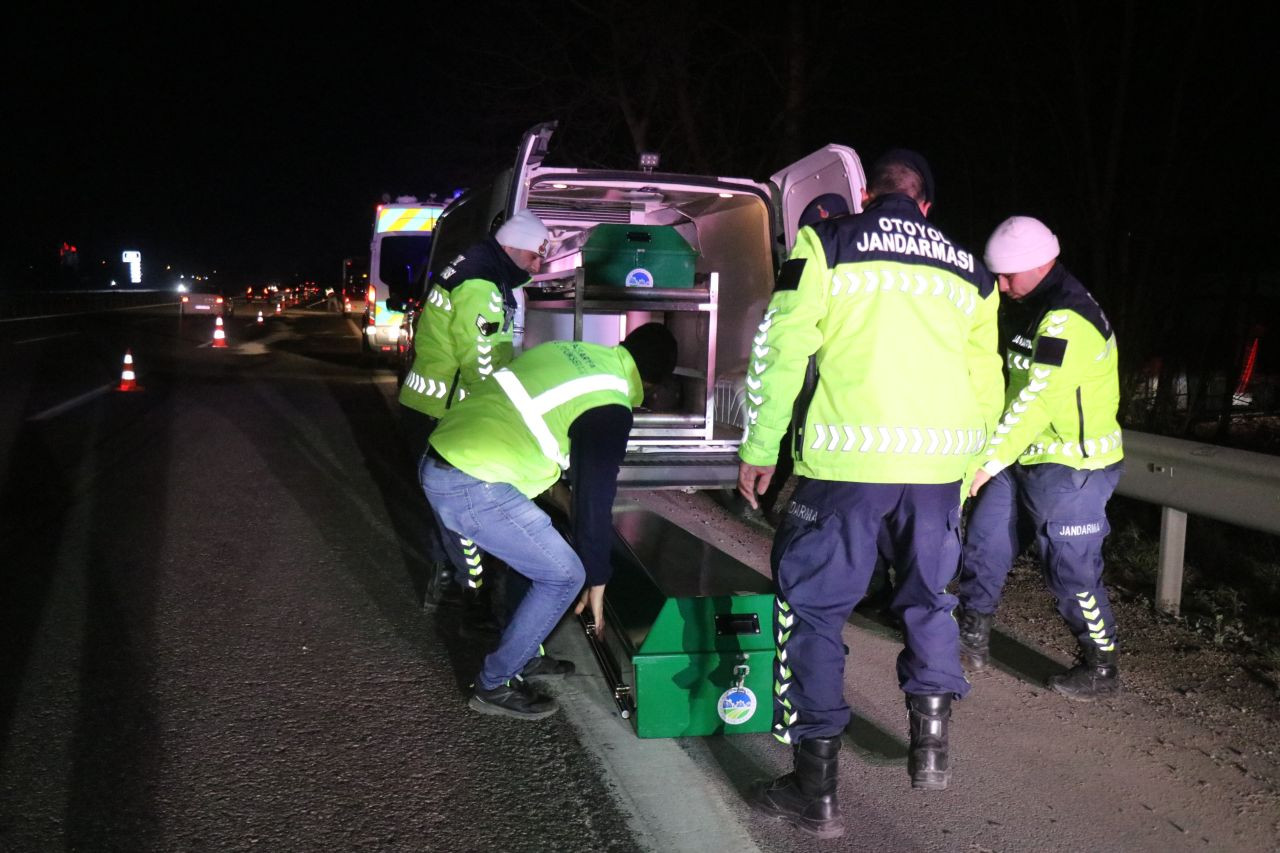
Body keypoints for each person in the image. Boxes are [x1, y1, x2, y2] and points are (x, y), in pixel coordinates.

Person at [736, 149, 1003, 836]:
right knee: (930, 598)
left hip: (849, 464)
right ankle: (932, 751)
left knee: (815, 609)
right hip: (940, 471)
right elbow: (988, 382)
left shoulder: (828, 241)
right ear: (927, 205)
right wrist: (971, 465)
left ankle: (815, 791)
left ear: (866, 195)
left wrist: (761, 448)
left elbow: (782, 345)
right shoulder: (971, 270)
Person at [420, 323, 678, 720]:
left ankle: (524, 654)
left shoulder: (570, 353)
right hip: (472, 483)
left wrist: (568, 509)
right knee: (562, 575)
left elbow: (538, 437)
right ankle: (494, 684)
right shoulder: (611, 404)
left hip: (444, 457)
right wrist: (596, 575)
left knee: (543, 540)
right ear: (651, 384)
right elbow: (595, 496)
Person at [955, 217, 1125, 701]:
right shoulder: (1027, 305)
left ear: (1039, 264)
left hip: (1072, 468)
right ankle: (971, 638)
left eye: (1008, 276)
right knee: (985, 545)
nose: (1001, 286)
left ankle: (1101, 665)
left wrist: (985, 462)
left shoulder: (1069, 318)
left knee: (1070, 571)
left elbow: (1037, 401)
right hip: (1021, 454)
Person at [398, 210, 552, 607]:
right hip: (445, 407)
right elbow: (479, 361)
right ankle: (474, 602)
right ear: (513, 246)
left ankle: (446, 581)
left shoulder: (476, 264)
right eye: (536, 256)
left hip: (427, 400)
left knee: (440, 503)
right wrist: (500, 414)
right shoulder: (481, 283)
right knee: (458, 506)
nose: (538, 264)